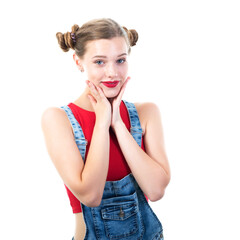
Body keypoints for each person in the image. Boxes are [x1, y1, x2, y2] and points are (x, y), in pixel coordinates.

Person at [41, 18, 171, 240]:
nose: (112, 73)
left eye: (120, 60)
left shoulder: (147, 113)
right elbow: (90, 195)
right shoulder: (58, 119)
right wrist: (102, 123)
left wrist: (117, 124)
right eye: (99, 62)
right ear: (78, 62)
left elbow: (156, 190)